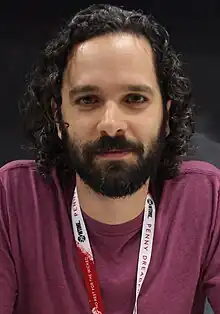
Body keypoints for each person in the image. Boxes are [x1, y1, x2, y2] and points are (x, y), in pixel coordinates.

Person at [0, 4, 219, 314]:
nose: (111, 123)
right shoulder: (11, 199)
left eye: (134, 99)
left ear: (166, 116)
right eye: (88, 100)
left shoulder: (207, 198)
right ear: (57, 115)